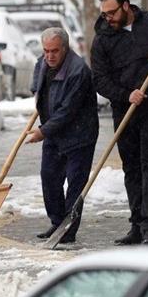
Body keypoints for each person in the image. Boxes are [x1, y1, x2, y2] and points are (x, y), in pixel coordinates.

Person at [91, 0, 148, 245]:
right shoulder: (102, 40)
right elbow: (100, 80)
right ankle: (136, 224)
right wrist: (126, 95)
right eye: (104, 14)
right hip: (125, 111)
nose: (108, 18)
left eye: (112, 12)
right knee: (132, 168)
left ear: (126, 5)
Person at [27, 27, 99, 243]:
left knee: (75, 184)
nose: (49, 56)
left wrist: (42, 131)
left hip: (79, 135)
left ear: (65, 49)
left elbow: (68, 111)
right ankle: (57, 222)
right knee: (49, 177)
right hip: (54, 132)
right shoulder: (42, 63)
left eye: (54, 51)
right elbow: (36, 87)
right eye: (46, 51)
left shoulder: (79, 71)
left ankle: (68, 230)